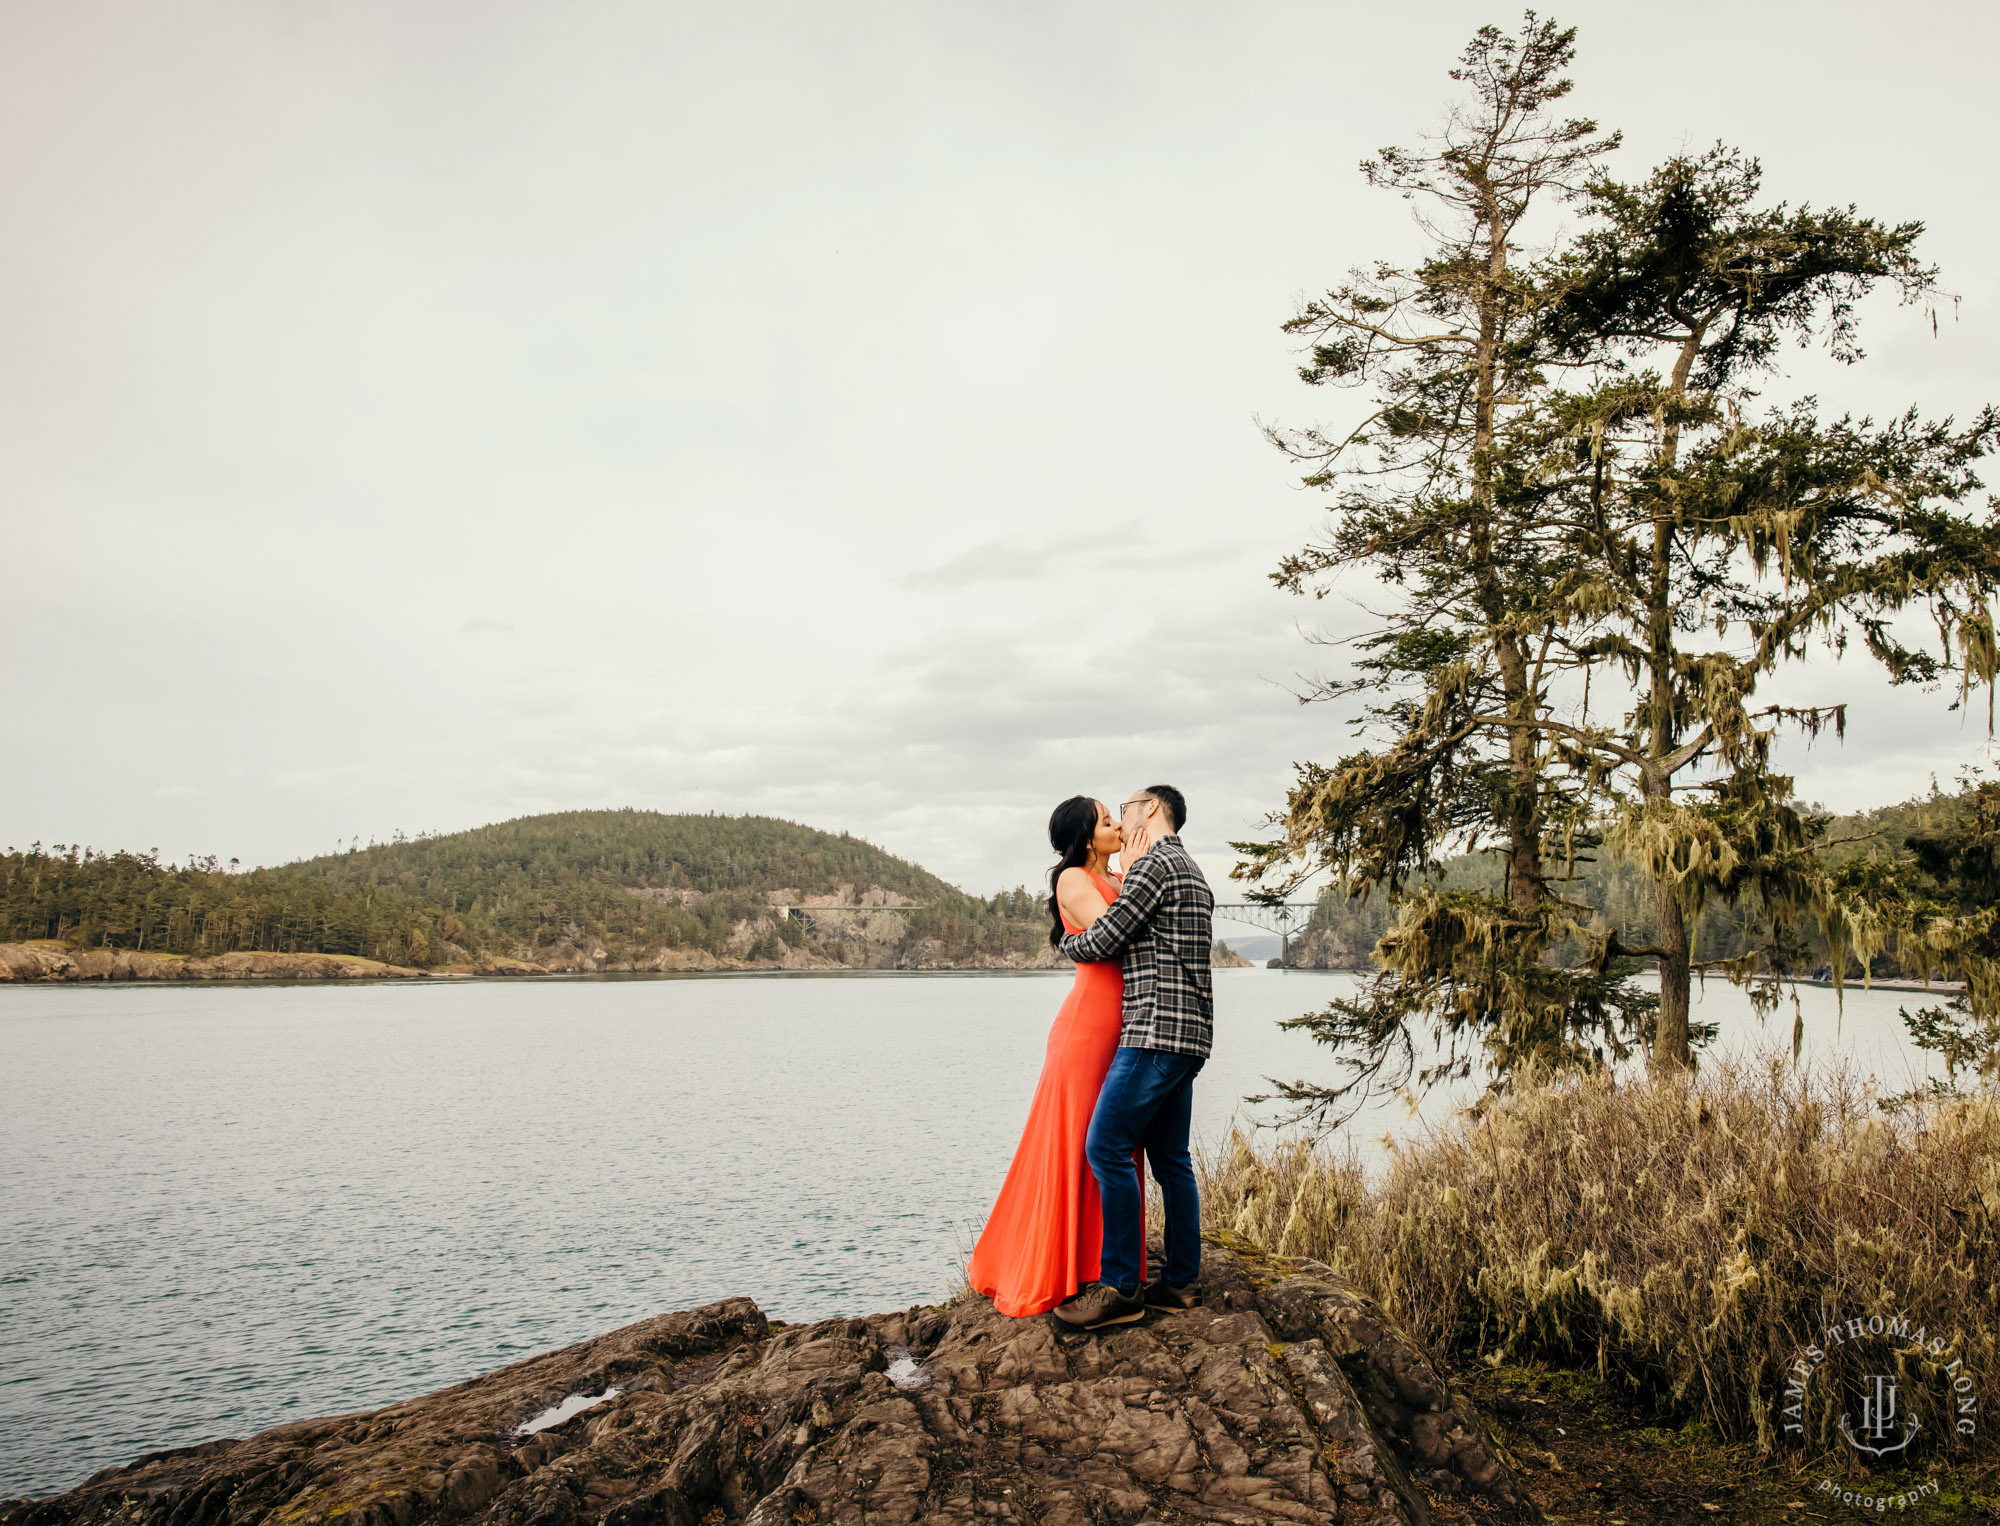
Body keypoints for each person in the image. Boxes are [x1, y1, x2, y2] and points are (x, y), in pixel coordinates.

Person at [965, 796, 1148, 1317]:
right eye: (1108, 820)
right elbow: (1117, 935)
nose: (1118, 825)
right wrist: (1134, 873)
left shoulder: (1116, 876)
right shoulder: (1074, 879)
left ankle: (1104, 1267)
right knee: (1077, 1143)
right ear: (1088, 838)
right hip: (1087, 1030)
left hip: (1124, 1027)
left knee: (1114, 1144)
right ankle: (1062, 1267)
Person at [1050, 784, 1213, 1332]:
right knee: (1172, 1160)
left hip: (1152, 1033)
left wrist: (1065, 945)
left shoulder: (1151, 869)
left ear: (1150, 810)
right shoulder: (1191, 869)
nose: (1120, 821)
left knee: (1106, 1144)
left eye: (1125, 809)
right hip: (1191, 1036)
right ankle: (1182, 1283)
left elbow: (1104, 939)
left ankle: (1121, 1288)